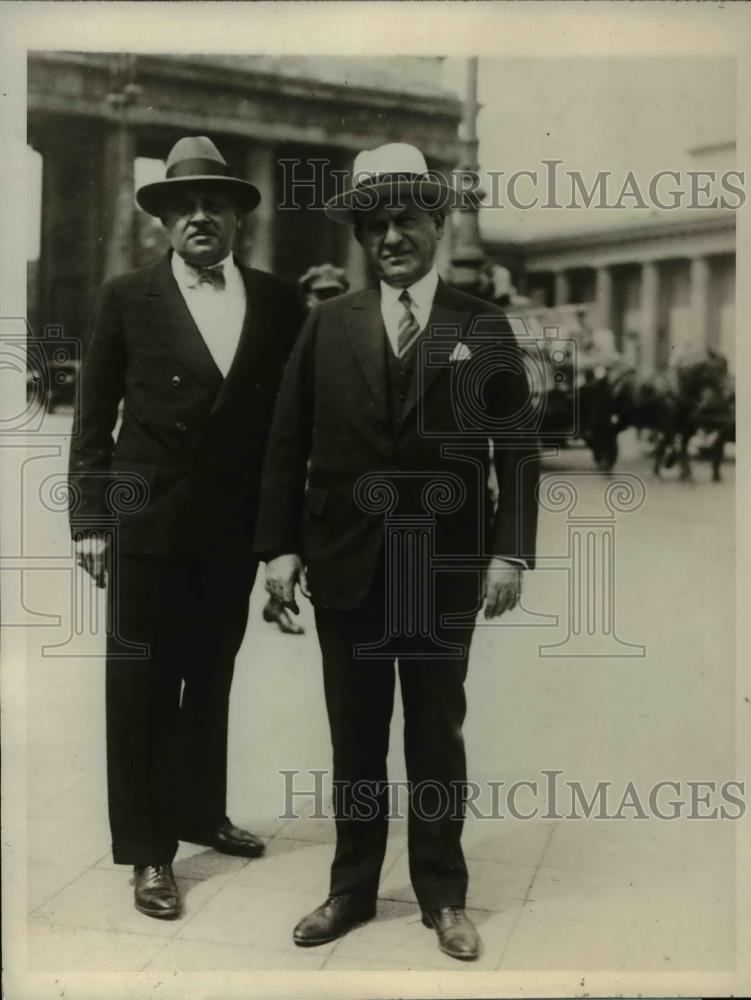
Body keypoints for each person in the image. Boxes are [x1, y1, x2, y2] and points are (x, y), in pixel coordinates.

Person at [255, 143, 539, 961]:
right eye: (374, 224)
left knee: (436, 732)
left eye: (405, 219)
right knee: (355, 733)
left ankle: (444, 895)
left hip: (442, 566)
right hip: (347, 562)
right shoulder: (326, 324)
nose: (389, 237)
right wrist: (279, 550)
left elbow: (516, 451)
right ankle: (349, 889)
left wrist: (508, 554)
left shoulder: (481, 325)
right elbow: (286, 443)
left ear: (437, 224)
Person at [68, 136, 306, 920]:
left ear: (238, 219)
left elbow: (285, 433)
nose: (200, 216)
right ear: (164, 221)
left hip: (229, 531)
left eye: (216, 205)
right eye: (183, 205)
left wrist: (279, 539)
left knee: (210, 677)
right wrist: (92, 522)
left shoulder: (277, 303)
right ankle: (145, 851)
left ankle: (203, 812)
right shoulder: (125, 297)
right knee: (138, 685)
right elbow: (93, 421)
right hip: (146, 526)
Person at [261, 263, 350, 636]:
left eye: (334, 294)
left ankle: (277, 602)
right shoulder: (289, 337)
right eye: (319, 295)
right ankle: (278, 600)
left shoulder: (351, 333)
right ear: (307, 297)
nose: (324, 301)